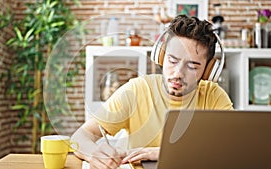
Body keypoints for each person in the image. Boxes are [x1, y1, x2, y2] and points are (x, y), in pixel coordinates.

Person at [71, 15, 233, 169]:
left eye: (192, 66)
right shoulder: (137, 90)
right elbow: (80, 137)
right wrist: (93, 154)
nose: (177, 73)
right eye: (172, 60)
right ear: (161, 56)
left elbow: (233, 149)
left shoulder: (214, 96)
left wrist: (162, 153)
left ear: (208, 71)